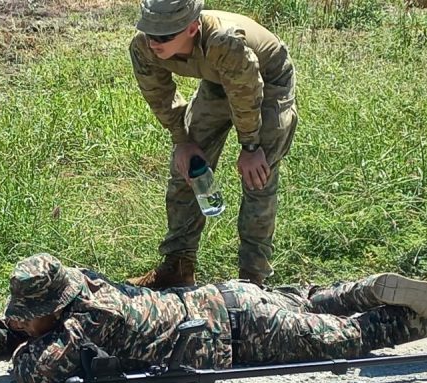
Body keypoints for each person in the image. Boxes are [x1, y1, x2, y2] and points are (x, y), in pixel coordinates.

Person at [0, 253, 427, 383]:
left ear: (53, 310)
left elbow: (30, 366)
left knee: (361, 337)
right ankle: (375, 289)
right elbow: (24, 325)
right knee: (318, 302)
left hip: (240, 336)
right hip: (229, 298)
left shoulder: (82, 329)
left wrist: (9, 343)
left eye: (31, 317)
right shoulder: (84, 284)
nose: (24, 324)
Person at [126, 0, 299, 289]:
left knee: (258, 177)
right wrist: (183, 142)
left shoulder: (224, 40)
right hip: (218, 78)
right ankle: (178, 267)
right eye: (150, 32)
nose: (155, 41)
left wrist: (251, 148)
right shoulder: (143, 47)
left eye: (166, 35)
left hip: (267, 80)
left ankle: (252, 280)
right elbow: (160, 96)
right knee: (187, 170)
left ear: (192, 28)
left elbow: (247, 94)